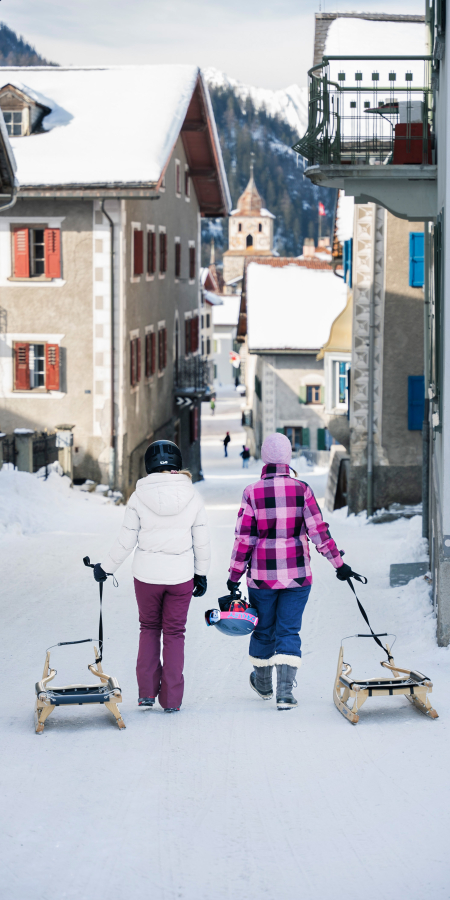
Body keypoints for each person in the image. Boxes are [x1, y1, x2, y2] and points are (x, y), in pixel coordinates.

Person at [227, 432, 353, 711]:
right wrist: (339, 564)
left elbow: (244, 539)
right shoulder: (302, 490)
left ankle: (263, 684)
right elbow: (319, 531)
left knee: (263, 629)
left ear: (264, 457)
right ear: (288, 457)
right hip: (298, 576)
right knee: (289, 630)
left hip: (262, 578)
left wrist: (234, 575)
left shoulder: (252, 492)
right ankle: (285, 694)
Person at [92, 440, 210, 713]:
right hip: (181, 577)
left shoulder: (138, 497)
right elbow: (201, 540)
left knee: (149, 629)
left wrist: (105, 568)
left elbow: (126, 540)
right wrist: (201, 574)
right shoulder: (192, 496)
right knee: (175, 634)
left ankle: (146, 693)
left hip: (147, 577)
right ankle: (171, 700)